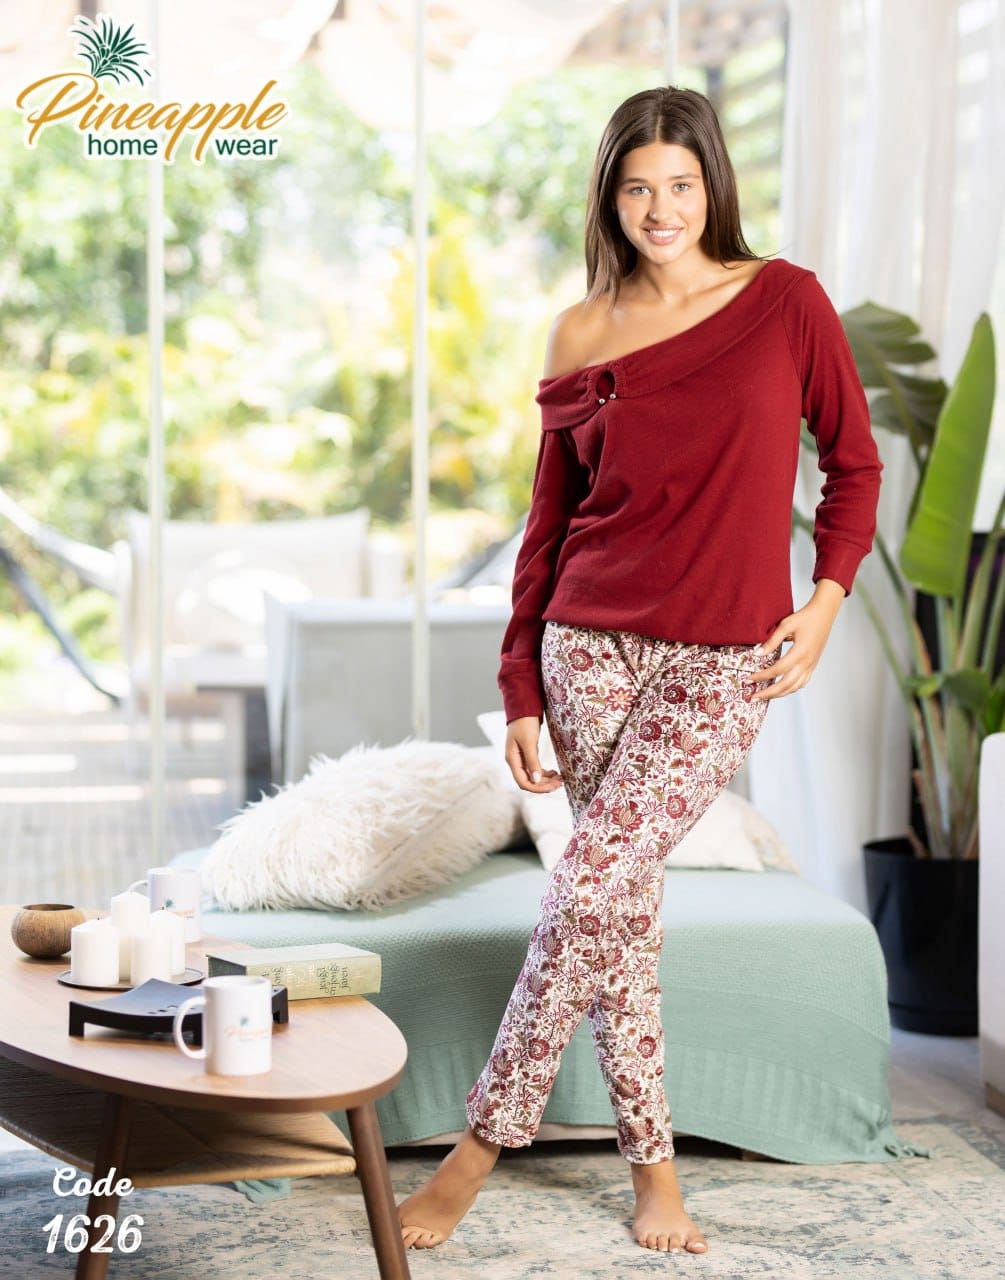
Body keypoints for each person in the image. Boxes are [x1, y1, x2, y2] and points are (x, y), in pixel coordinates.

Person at [396, 84, 883, 1257]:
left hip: (725, 660)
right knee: (618, 904)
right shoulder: (583, 330)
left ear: (713, 182)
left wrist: (824, 600)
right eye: (635, 187)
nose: (660, 208)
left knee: (593, 881)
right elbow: (550, 521)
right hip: (588, 641)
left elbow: (854, 463)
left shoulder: (785, 304)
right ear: (608, 197)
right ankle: (655, 1172)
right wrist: (520, 679)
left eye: (679, 183)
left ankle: (475, 1148)